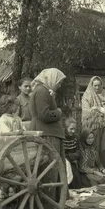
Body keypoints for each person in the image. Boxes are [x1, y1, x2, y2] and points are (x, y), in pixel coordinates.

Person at [29, 68, 66, 199]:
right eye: (59, 82)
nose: (59, 85)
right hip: (48, 134)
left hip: (50, 133)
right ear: (51, 79)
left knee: (55, 167)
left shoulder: (43, 91)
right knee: (52, 168)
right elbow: (44, 115)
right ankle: (50, 199)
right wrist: (59, 112)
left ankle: (56, 198)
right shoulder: (42, 91)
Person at [81, 76, 105, 168]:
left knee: (104, 148)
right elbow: (86, 112)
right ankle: (93, 169)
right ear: (91, 85)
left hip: (104, 127)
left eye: (99, 85)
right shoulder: (86, 96)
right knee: (94, 148)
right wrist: (100, 111)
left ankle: (104, 168)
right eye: (95, 85)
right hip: (92, 127)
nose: (97, 87)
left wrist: (98, 108)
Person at [63, 117, 91, 189]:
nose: (73, 131)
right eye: (71, 129)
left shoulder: (75, 137)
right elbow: (63, 153)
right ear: (66, 128)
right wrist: (70, 157)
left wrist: (74, 156)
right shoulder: (62, 138)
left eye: (74, 129)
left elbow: (78, 150)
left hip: (74, 160)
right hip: (65, 161)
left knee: (78, 178)